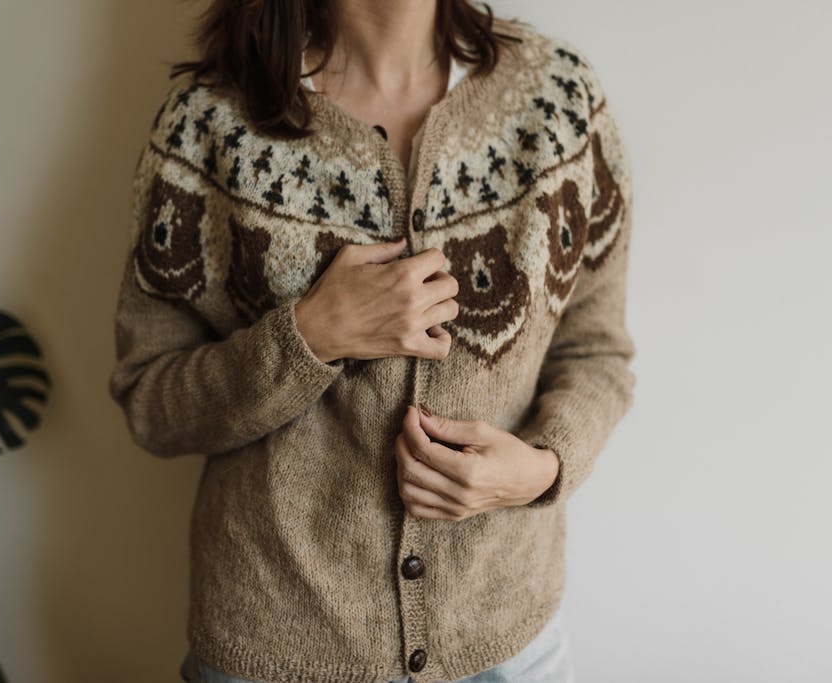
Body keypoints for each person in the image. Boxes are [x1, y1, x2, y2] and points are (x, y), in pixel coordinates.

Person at [108, 1, 635, 682]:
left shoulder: (557, 100)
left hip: (505, 639)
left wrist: (540, 469)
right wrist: (309, 337)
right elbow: (152, 397)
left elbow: (597, 352)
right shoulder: (210, 123)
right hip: (277, 645)